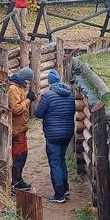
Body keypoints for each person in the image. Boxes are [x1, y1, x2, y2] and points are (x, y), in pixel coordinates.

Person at [35, 69, 75, 203]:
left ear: (49, 82)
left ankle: (59, 194)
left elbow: (38, 114)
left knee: (55, 162)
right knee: (62, 160)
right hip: (67, 133)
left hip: (53, 134)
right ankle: (65, 188)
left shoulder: (48, 96)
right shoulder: (70, 95)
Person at [8, 67, 36, 194]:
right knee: (18, 158)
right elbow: (16, 109)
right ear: (24, 79)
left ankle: (19, 180)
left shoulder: (20, 88)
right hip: (16, 130)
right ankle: (14, 183)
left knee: (23, 156)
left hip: (22, 129)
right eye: (28, 81)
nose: (29, 84)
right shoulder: (13, 89)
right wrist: (28, 100)